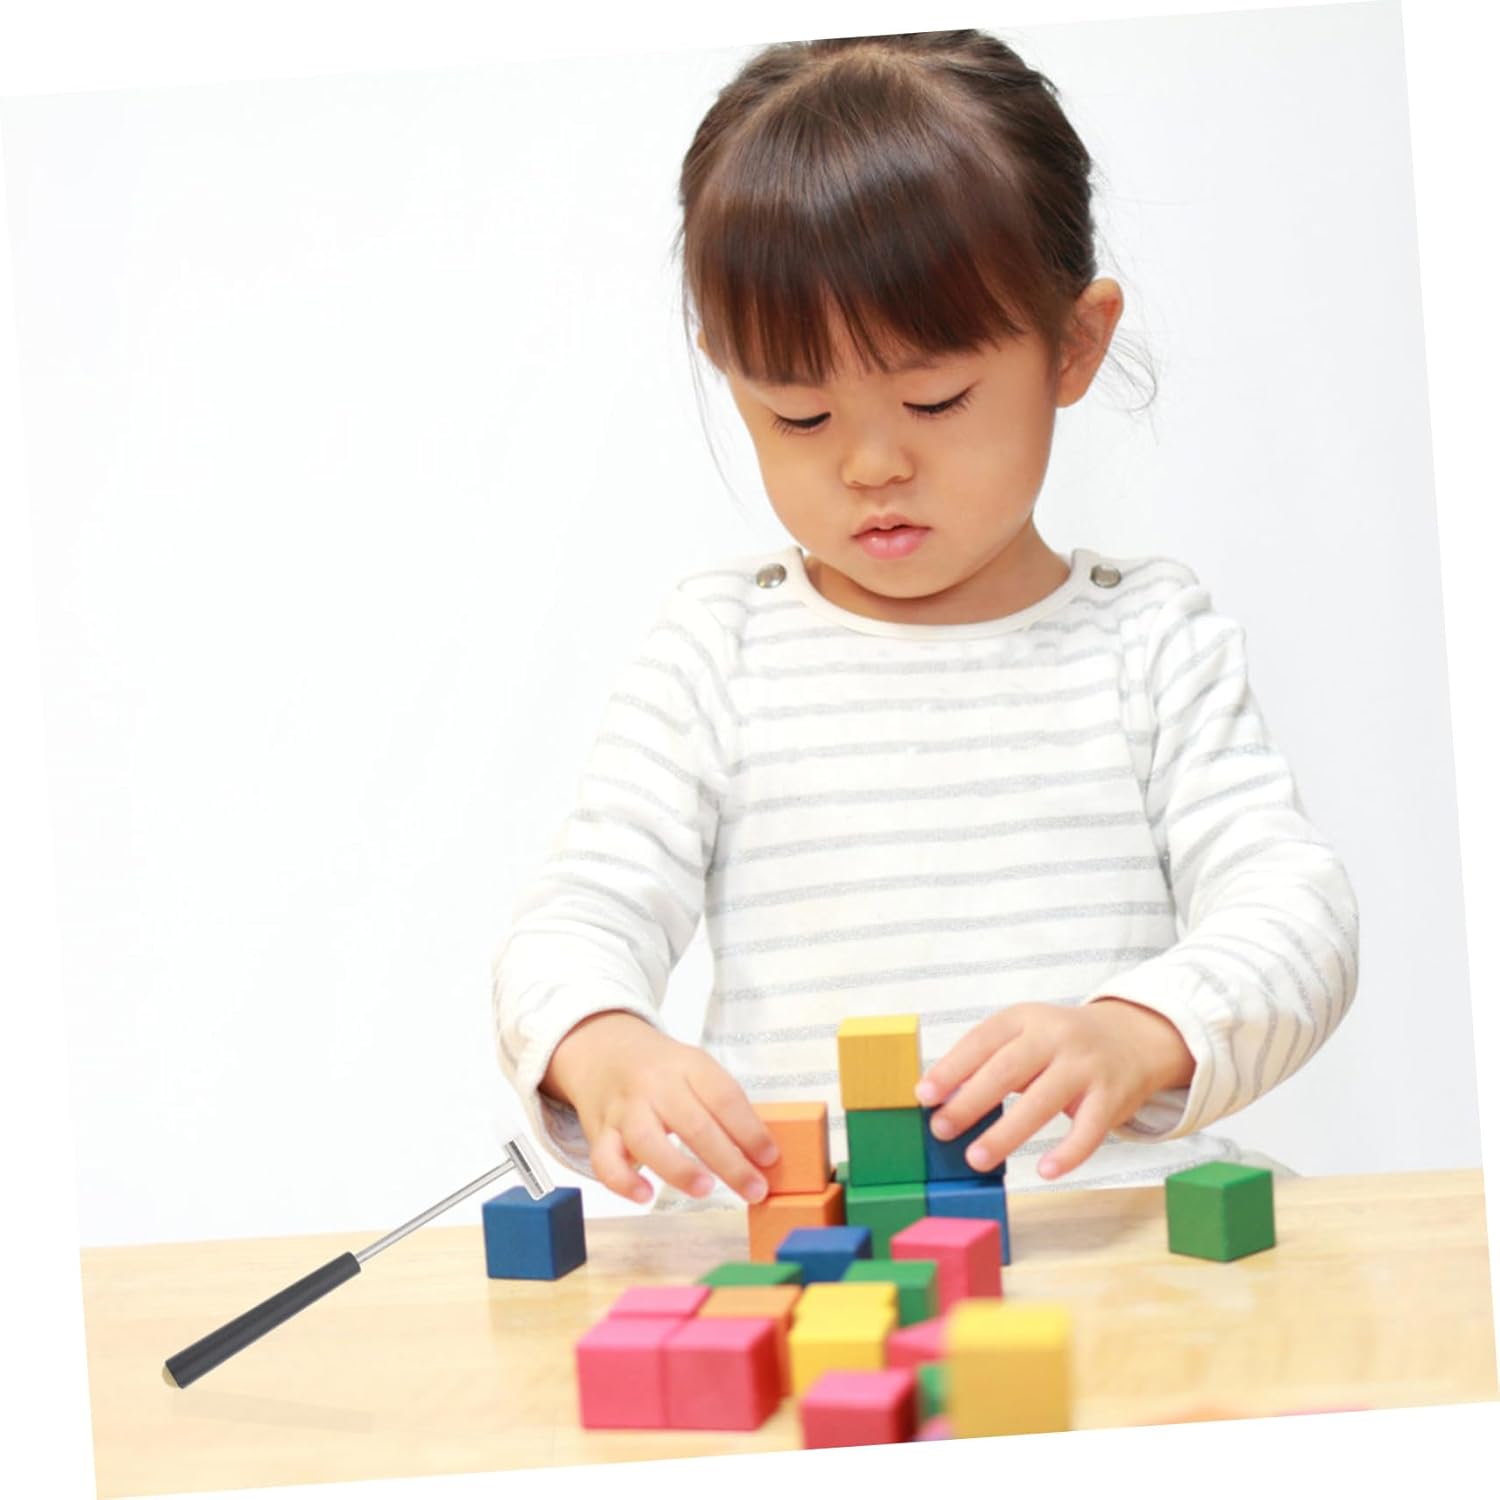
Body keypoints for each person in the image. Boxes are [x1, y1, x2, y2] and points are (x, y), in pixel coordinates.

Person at [491, 30, 1358, 1212]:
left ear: (1074, 344)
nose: (872, 464)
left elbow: (1298, 912)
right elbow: (578, 912)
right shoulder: (720, 650)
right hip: (827, 1257)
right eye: (800, 417)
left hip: (1115, 1235)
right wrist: (603, 1046)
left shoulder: (1150, 642)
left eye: (935, 399)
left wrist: (1136, 1031)